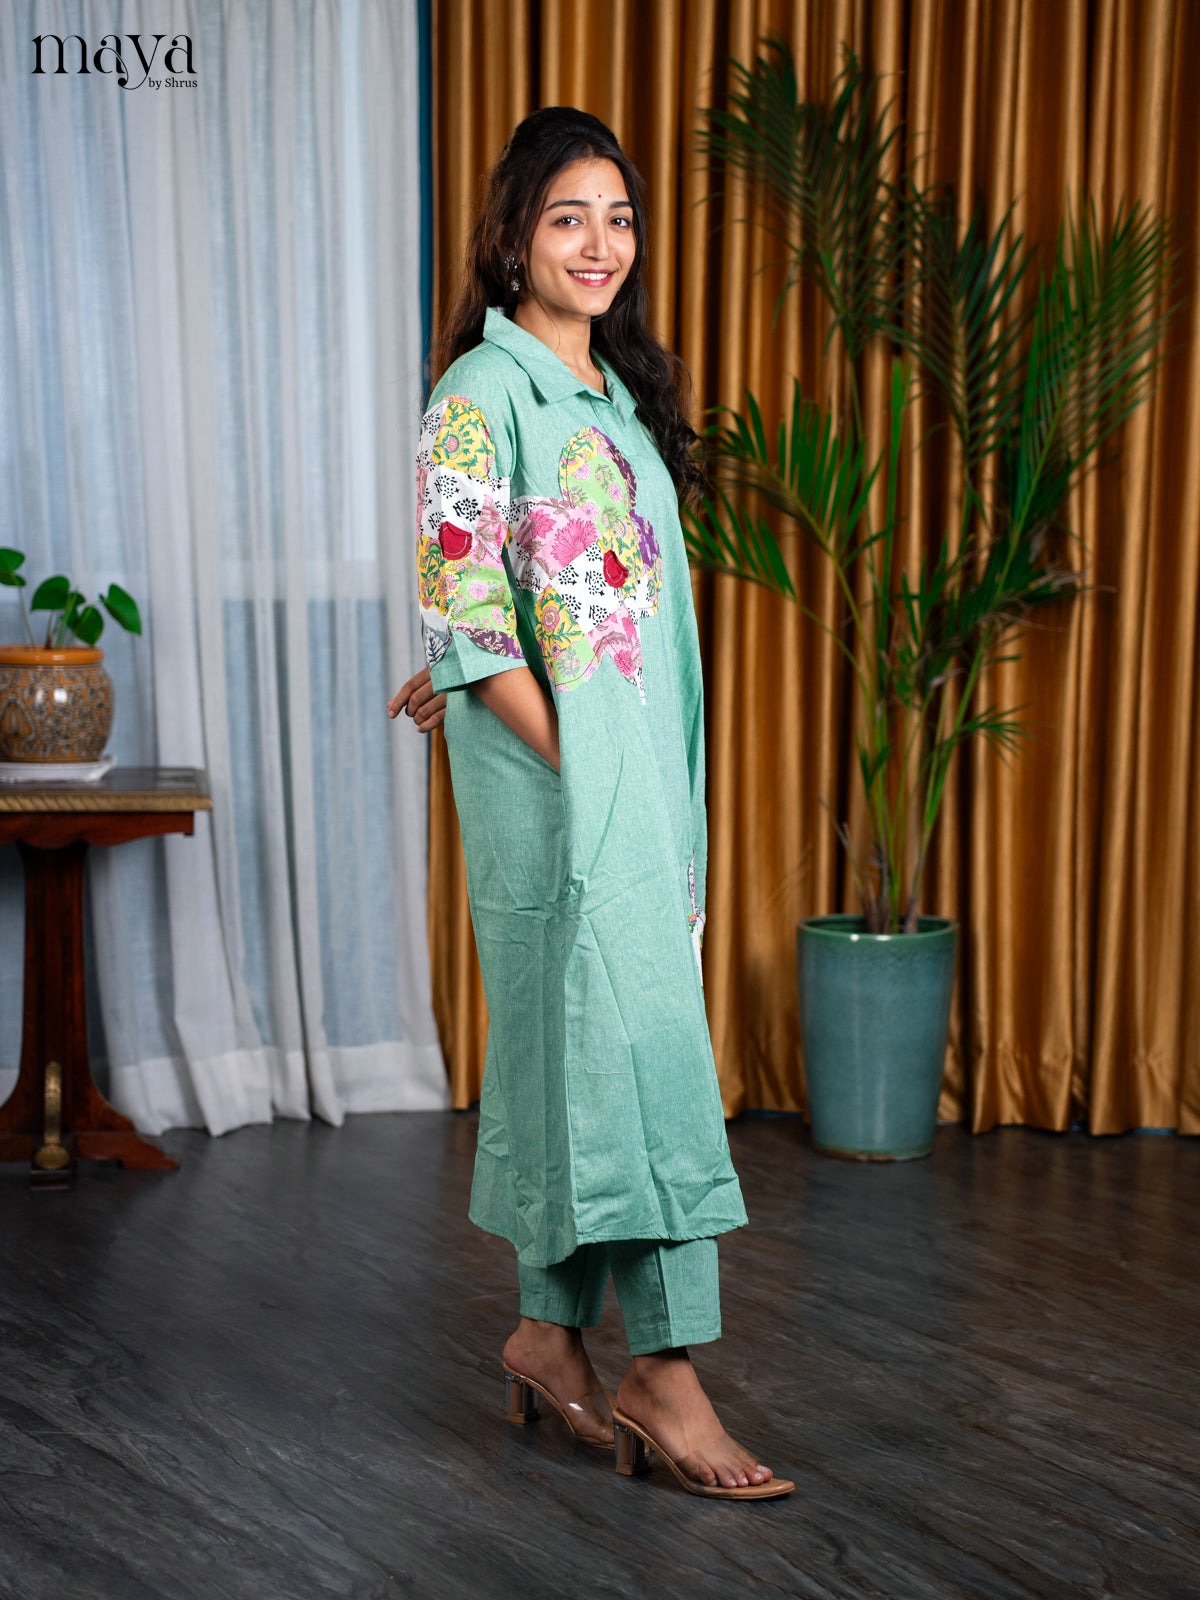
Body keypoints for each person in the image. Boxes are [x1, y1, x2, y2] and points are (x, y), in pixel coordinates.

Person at [389, 106, 792, 1500]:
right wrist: (574, 751)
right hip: (567, 794)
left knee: (573, 1060)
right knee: (646, 1060)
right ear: (514, 237)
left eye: (619, 218)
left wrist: (600, 741)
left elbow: (584, 604)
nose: (601, 243)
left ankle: (546, 1333)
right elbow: (470, 619)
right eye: (570, 217)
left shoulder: (615, 399)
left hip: (640, 783)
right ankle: (665, 1368)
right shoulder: (476, 394)